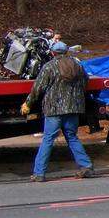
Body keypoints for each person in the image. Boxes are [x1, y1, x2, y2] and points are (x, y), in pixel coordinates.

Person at [22, 41, 93, 182]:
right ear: (66, 52)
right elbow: (86, 82)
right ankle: (86, 166)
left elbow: (38, 88)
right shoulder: (78, 66)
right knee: (72, 137)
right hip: (73, 108)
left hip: (54, 109)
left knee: (48, 139)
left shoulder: (49, 67)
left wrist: (28, 103)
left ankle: (39, 173)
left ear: (53, 53)